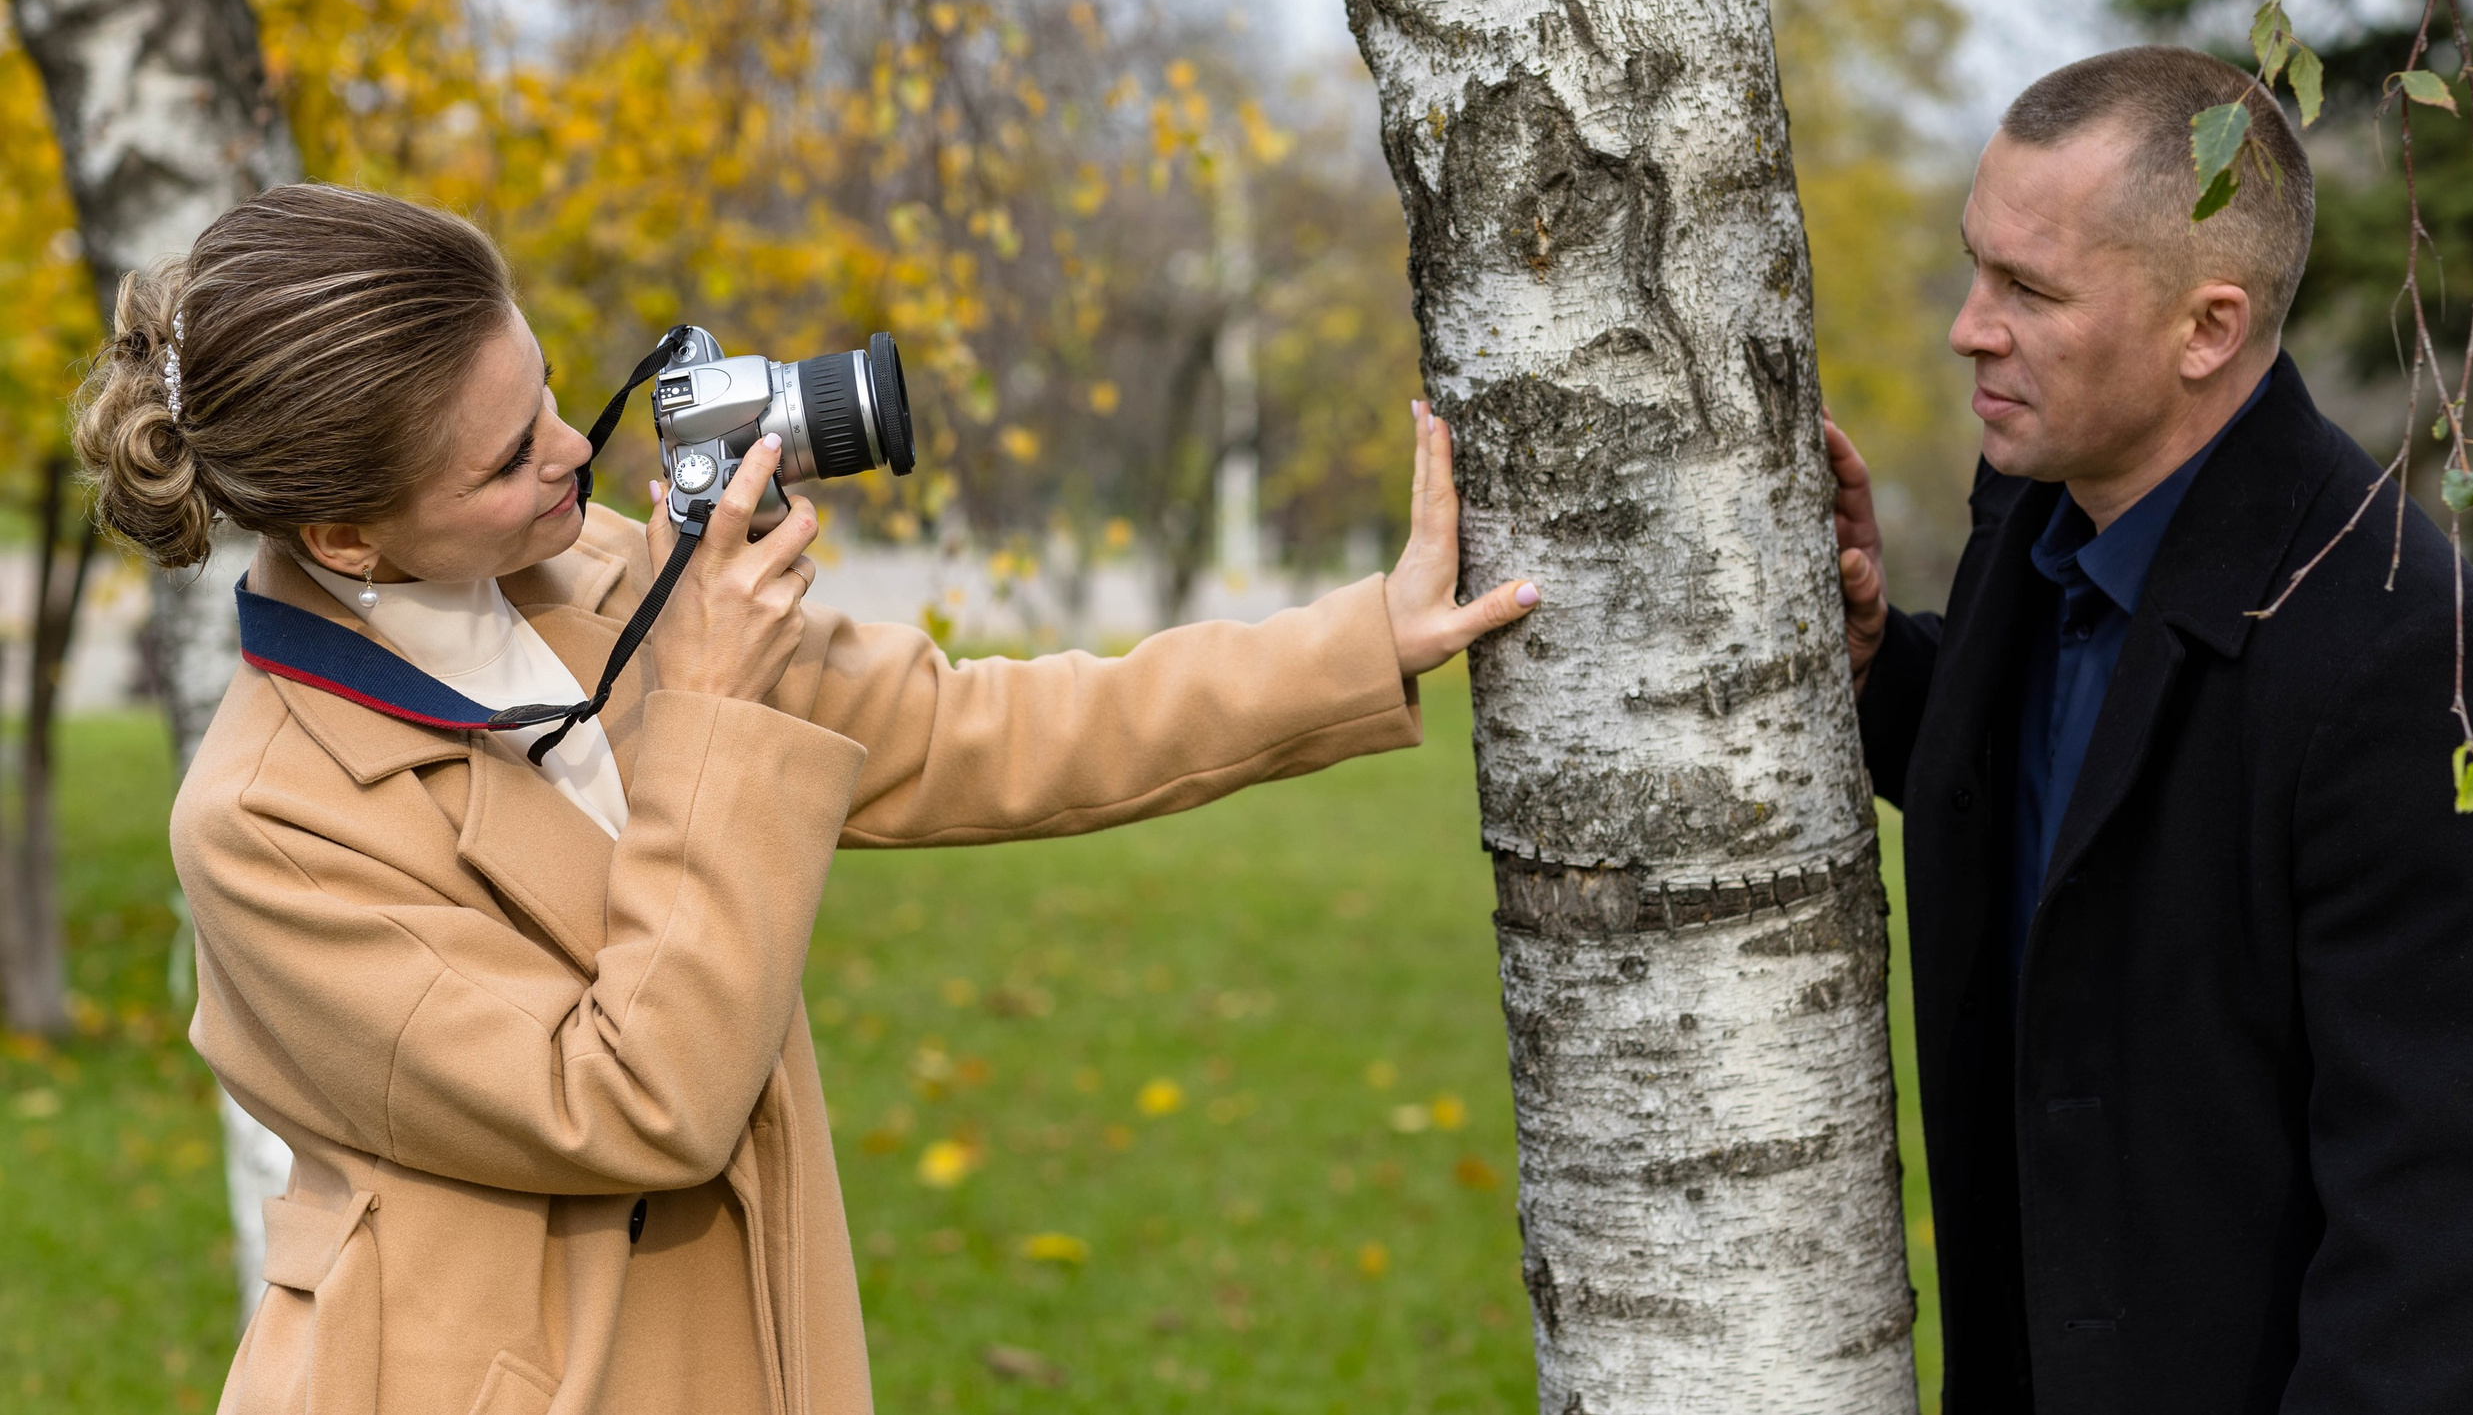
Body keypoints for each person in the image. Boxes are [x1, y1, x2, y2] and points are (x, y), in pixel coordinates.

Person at [73, 183, 1539, 1415]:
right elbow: (630, 1102)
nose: (578, 458)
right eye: (511, 455)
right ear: (348, 534)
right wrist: (708, 703)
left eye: (546, 398)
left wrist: (1356, 642)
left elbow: (968, 728)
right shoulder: (264, 827)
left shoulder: (575, 565)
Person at [1829, 46, 2473, 1411]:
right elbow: (2103, 809)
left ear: (2207, 328)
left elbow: (2439, 1234)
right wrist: (1881, 667)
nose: (1967, 327)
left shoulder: (2414, 659)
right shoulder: (2043, 516)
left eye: (2030, 292)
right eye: (1978, 267)